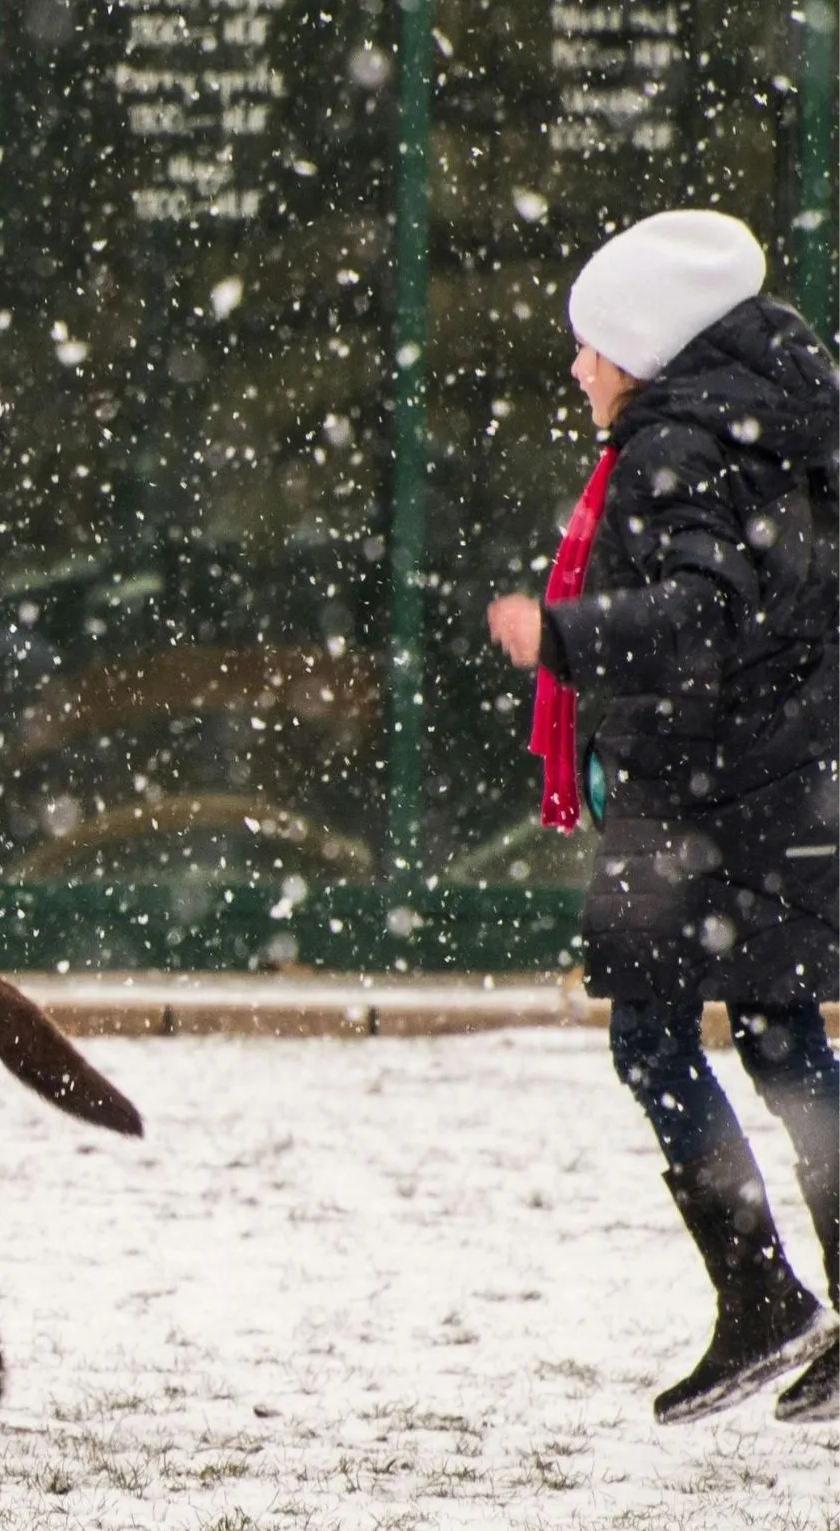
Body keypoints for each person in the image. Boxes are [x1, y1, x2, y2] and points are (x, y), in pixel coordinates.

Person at [483, 209, 840, 1425]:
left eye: (591, 347)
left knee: (656, 1040)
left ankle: (758, 1297)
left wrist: (563, 636)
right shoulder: (777, 430)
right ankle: (777, 1300)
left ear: (640, 344)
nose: (578, 369)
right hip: (771, 786)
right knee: (788, 1044)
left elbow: (702, 615)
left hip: (704, 801)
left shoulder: (677, 448)